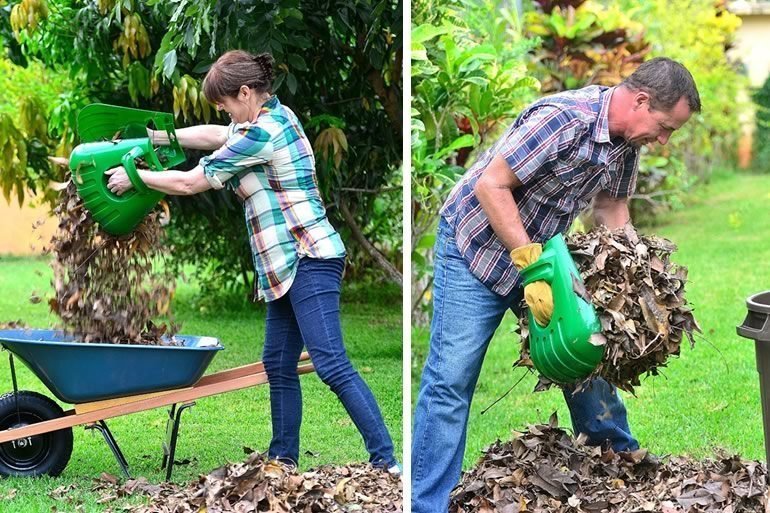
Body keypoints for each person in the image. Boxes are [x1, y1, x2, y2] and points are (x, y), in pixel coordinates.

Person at [411, 57, 700, 512]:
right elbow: (491, 186)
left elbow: (612, 206)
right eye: (665, 127)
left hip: (544, 257)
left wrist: (634, 270)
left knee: (585, 350)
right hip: (477, 248)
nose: (663, 140)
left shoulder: (626, 142)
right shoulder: (564, 118)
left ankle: (621, 465)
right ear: (641, 100)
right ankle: (426, 503)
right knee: (451, 379)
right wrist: (530, 265)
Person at [106, 49, 399, 474]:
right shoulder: (266, 119)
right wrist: (158, 139)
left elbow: (191, 182)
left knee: (331, 363)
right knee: (277, 364)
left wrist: (135, 177)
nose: (223, 112)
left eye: (224, 103)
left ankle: (386, 462)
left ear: (245, 93)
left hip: (308, 255)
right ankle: (282, 460)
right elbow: (214, 136)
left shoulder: (264, 134)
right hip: (283, 264)